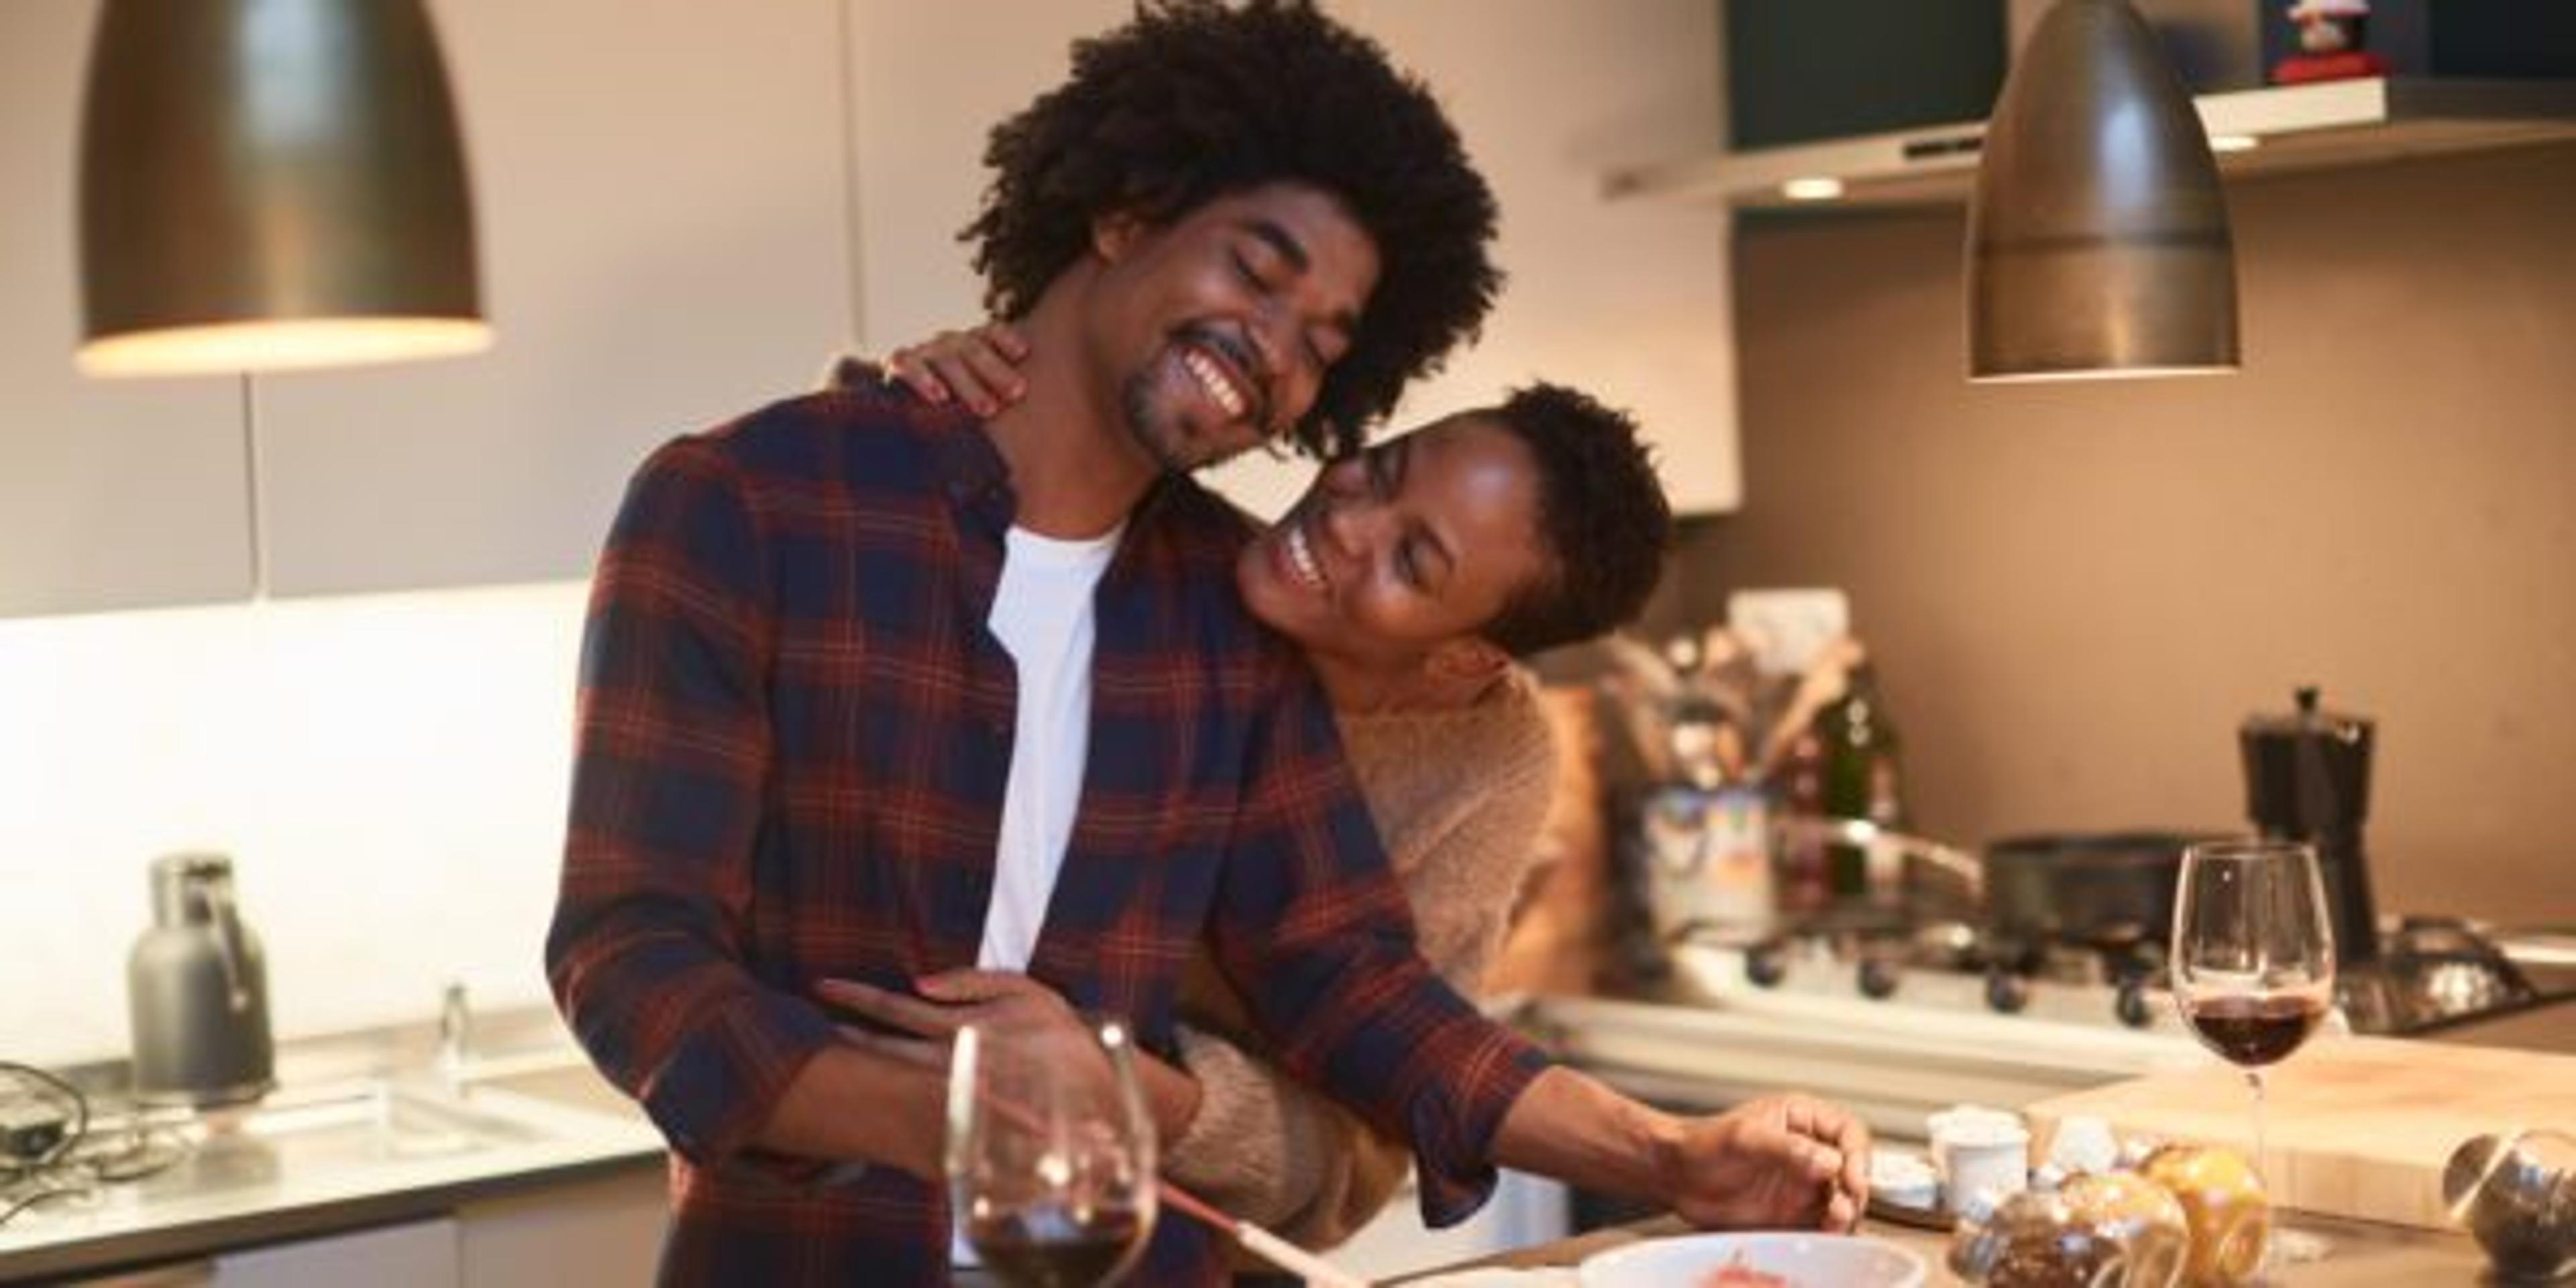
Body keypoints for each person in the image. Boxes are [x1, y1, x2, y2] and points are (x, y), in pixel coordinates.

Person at [546, 4, 1866, 1284]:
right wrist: (976, 1115)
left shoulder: (1218, 613)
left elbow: (1351, 983)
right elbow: (631, 960)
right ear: (1126, 210)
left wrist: (1673, 1152)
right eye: (1257, 268)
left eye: (1323, 343)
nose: (1274, 353)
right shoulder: (747, 506)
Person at [856, 331, 1670, 1251]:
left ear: (1466, 657)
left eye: (1413, 562)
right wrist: (940, 399)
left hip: (1152, 1240)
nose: (1348, 523)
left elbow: (1361, 1132)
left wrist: (1146, 1094)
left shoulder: (1493, 756)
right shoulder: (1158, 560)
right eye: (1383, 468)